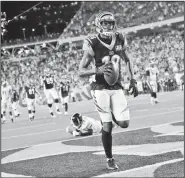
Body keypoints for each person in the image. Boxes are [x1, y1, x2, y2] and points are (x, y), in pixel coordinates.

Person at [78, 12, 138, 170]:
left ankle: (106, 119)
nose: (108, 26)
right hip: (100, 88)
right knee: (107, 127)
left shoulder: (120, 38)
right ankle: (110, 159)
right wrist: (98, 70)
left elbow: (127, 59)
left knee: (124, 123)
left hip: (116, 86)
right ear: (99, 24)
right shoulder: (91, 41)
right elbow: (81, 71)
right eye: (105, 23)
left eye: (111, 23)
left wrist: (133, 79)